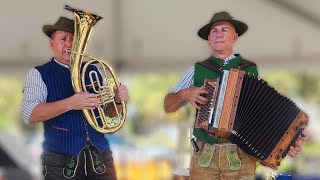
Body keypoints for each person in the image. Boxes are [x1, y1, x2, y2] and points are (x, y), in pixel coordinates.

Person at [164, 11, 308, 179]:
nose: (219, 35)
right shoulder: (197, 70)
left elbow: (265, 113)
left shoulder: (249, 70)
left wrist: (290, 139)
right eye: (214, 31)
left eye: (224, 30)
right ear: (208, 39)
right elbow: (168, 106)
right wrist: (183, 94)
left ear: (235, 37)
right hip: (204, 154)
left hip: (240, 156)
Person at [21, 16, 128, 180]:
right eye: (63, 39)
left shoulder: (94, 70)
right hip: (60, 161)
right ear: (52, 44)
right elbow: (29, 114)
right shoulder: (38, 74)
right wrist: (70, 103)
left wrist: (118, 101)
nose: (69, 44)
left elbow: (110, 114)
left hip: (100, 156)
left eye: (73, 39)